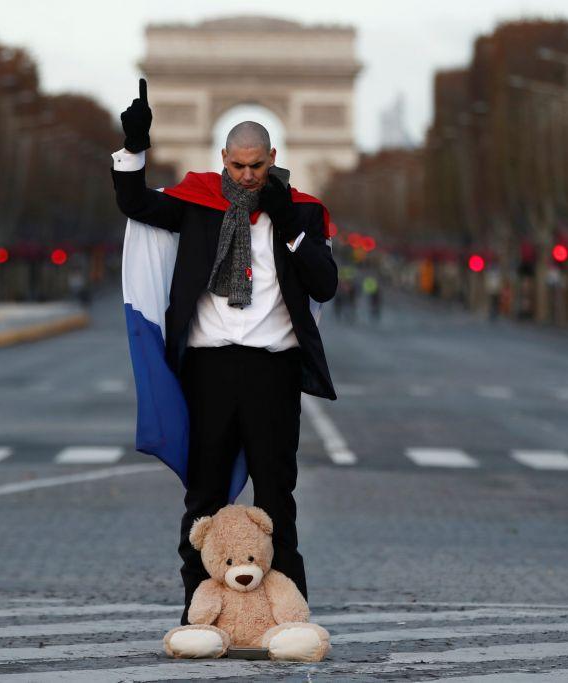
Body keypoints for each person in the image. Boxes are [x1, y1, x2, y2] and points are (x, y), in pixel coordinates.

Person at [112, 79, 337, 625]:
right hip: (208, 367)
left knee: (277, 495)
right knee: (204, 495)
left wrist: (287, 226)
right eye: (237, 165)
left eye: (256, 165)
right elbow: (135, 203)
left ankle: (288, 616)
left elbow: (325, 284)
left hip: (273, 368)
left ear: (273, 159)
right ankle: (198, 613)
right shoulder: (196, 205)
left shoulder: (302, 214)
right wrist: (135, 146)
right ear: (222, 160)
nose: (246, 176)